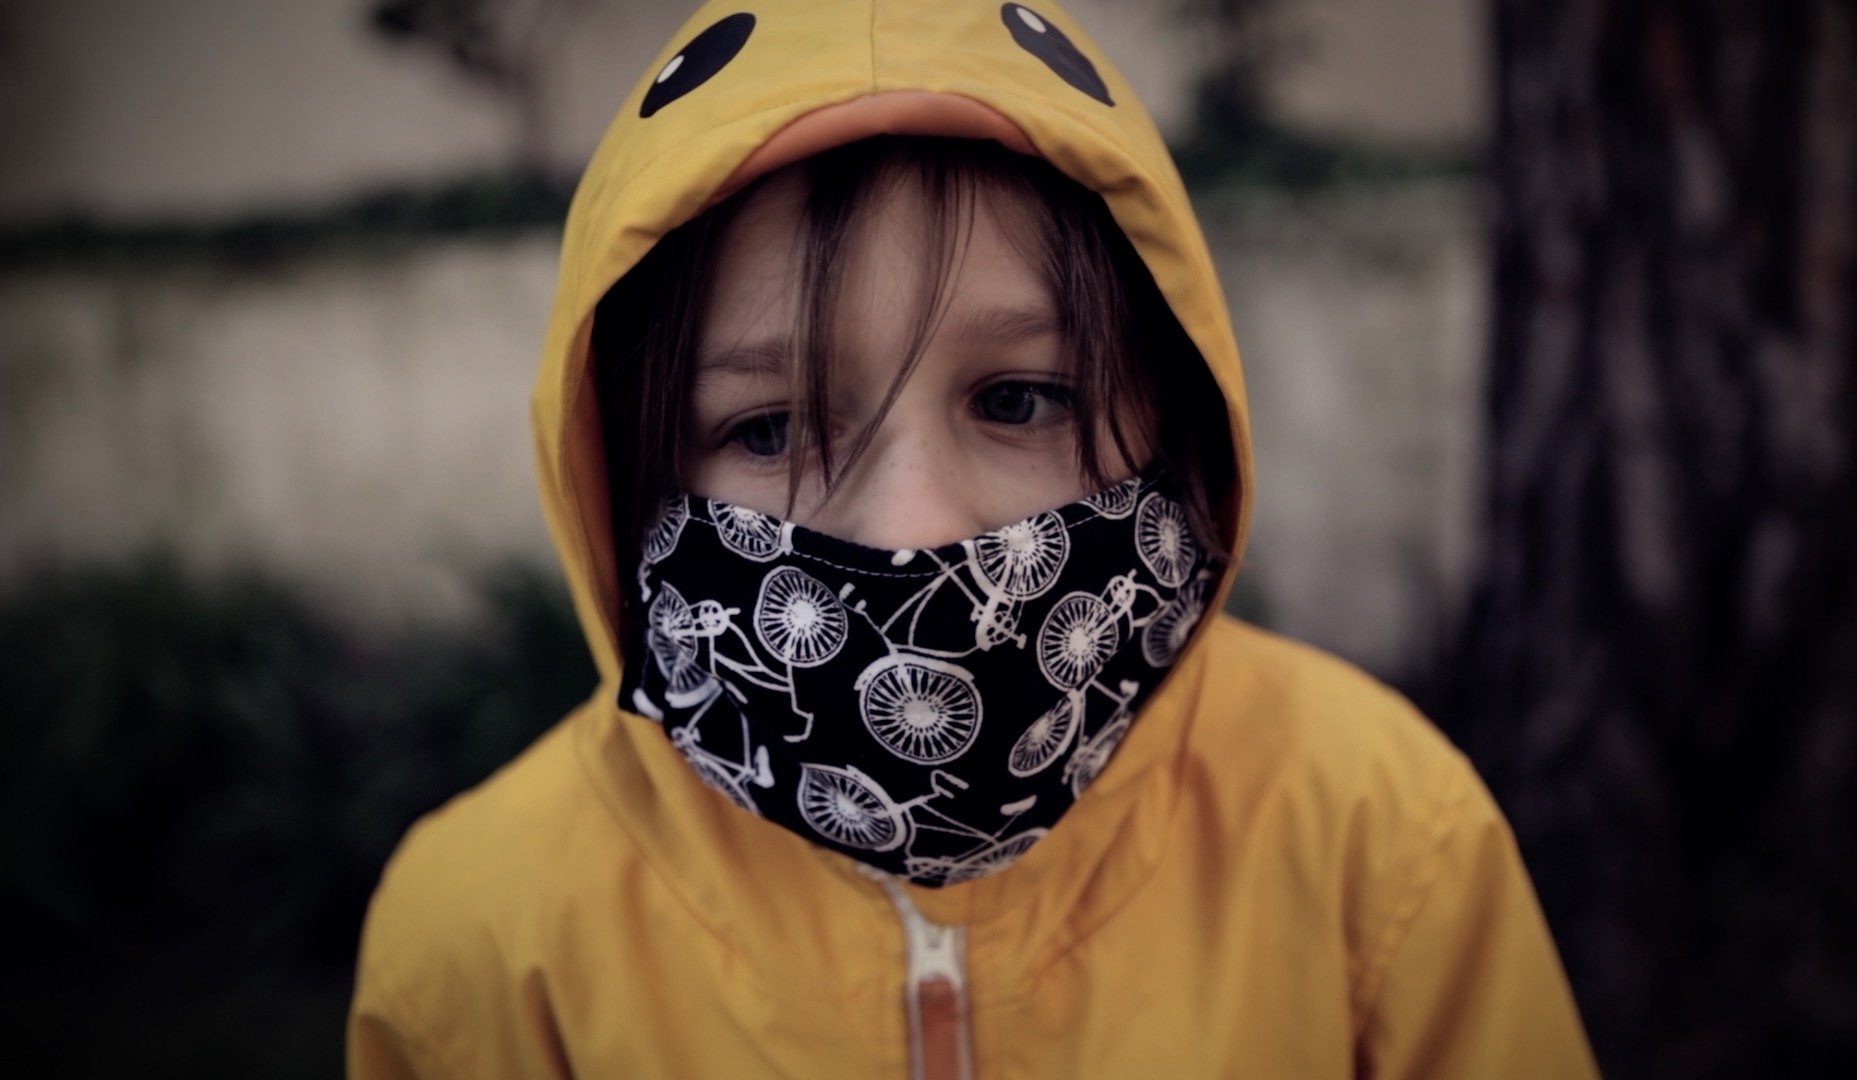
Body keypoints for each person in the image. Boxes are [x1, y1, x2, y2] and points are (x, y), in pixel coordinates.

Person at [347, 2, 1599, 1077]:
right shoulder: (480, 944)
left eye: (1018, 400)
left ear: (1175, 416)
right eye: (771, 426)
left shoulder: (1380, 838)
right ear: (622, 468)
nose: (913, 533)